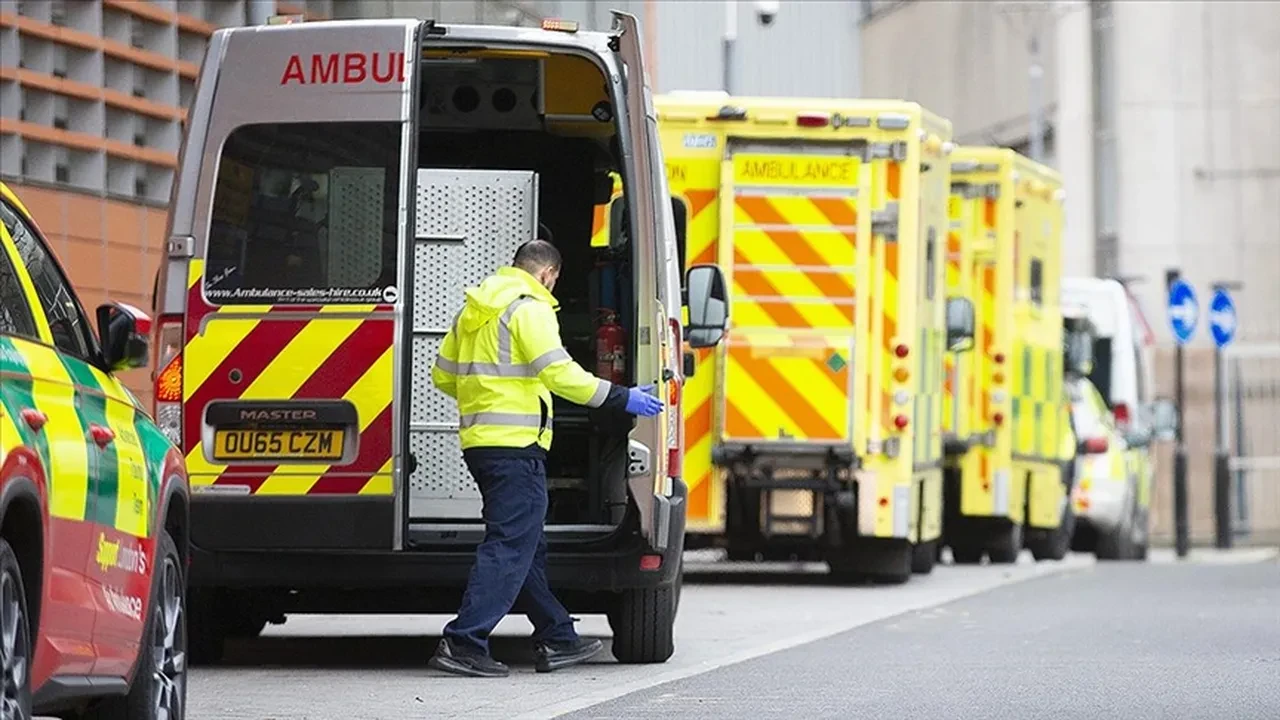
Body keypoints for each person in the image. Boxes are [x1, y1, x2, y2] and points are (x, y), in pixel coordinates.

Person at [428, 239, 664, 677]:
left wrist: (487, 394)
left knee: (527, 545)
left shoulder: (476, 308)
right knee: (510, 546)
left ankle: (557, 636)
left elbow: (443, 375)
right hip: (516, 447)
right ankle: (464, 641)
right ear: (547, 274)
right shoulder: (530, 308)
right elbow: (559, 374)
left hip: (482, 443)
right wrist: (619, 397)